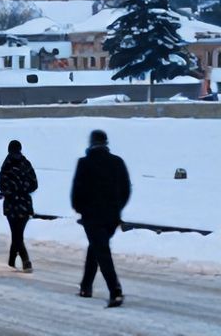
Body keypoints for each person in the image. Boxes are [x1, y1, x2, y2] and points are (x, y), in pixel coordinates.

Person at [71, 129, 130, 308]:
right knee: (97, 247)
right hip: (111, 217)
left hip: (92, 217)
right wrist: (117, 208)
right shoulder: (117, 162)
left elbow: (77, 191)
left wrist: (81, 209)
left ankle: (115, 290)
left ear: (91, 142)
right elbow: (126, 189)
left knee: (102, 252)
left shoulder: (85, 163)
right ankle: (86, 286)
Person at [0, 139, 38, 273]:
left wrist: (12, 189)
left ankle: (26, 261)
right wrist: (24, 188)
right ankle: (11, 260)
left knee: (16, 234)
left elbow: (1, 185)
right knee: (17, 233)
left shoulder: (7, 164)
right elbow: (34, 184)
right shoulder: (26, 164)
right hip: (25, 205)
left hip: (12, 205)